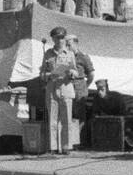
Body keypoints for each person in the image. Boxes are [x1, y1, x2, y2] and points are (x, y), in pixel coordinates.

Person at [40, 26, 79, 155]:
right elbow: (42, 74)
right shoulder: (48, 54)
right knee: (52, 120)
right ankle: (53, 147)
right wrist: (49, 75)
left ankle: (66, 146)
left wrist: (71, 73)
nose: (60, 40)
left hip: (66, 87)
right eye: (57, 38)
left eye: (62, 38)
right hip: (52, 89)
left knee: (67, 119)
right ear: (53, 39)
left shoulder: (70, 54)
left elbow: (75, 71)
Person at [68, 33, 95, 138]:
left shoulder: (83, 57)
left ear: (75, 44)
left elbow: (91, 74)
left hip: (79, 88)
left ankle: (80, 140)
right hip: (68, 87)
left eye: (69, 44)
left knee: (79, 116)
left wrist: (85, 86)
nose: (67, 47)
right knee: (69, 114)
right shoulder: (65, 56)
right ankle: (71, 140)